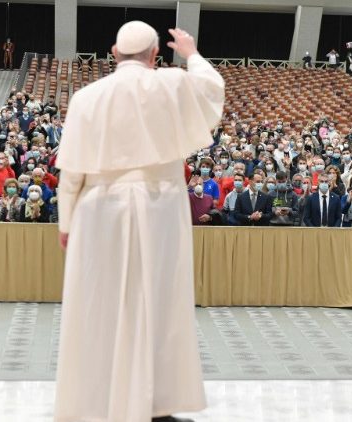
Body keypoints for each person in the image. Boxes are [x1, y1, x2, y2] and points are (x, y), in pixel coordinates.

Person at [54, 22, 224, 422]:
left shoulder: (86, 97)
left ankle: (97, 405)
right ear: (154, 56)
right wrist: (191, 52)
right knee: (160, 304)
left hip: (98, 210)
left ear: (114, 52)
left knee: (100, 306)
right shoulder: (171, 83)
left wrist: (66, 224)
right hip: (160, 207)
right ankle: (156, 405)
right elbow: (213, 88)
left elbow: (71, 173)